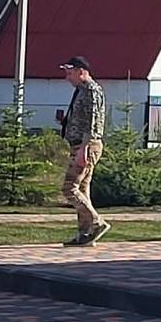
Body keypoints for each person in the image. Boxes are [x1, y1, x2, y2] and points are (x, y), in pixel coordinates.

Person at [59, 55, 110, 246]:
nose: (67, 77)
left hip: (86, 145)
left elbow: (94, 121)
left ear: (82, 72)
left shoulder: (92, 90)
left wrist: (85, 148)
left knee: (69, 187)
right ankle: (85, 233)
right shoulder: (81, 90)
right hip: (79, 144)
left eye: (70, 73)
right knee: (81, 189)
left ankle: (96, 221)